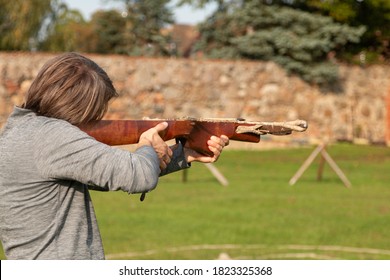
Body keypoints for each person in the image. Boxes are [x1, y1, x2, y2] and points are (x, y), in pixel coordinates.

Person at [0, 52, 229, 260]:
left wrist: (186, 154)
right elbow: (139, 176)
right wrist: (148, 143)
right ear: (78, 105)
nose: (96, 118)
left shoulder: (21, 131)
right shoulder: (51, 136)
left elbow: (110, 172)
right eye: (94, 112)